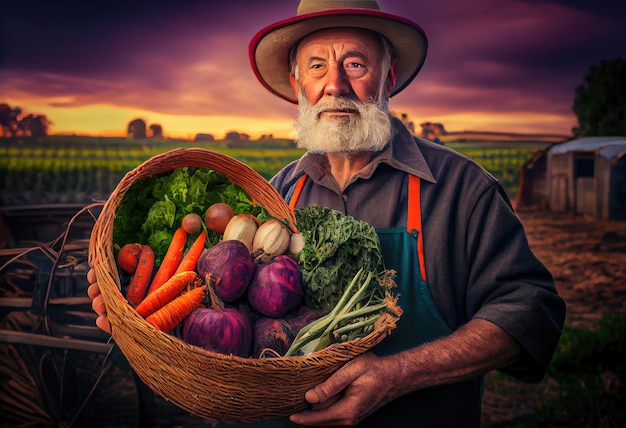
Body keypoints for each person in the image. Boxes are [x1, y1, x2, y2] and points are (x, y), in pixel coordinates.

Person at [89, 1, 567, 426]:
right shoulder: (277, 196)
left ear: (389, 77)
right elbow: (222, 319)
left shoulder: (462, 190)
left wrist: (398, 373)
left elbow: (530, 309)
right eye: (316, 67)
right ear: (298, 84)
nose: (334, 84)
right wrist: (139, 321)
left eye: (355, 63)